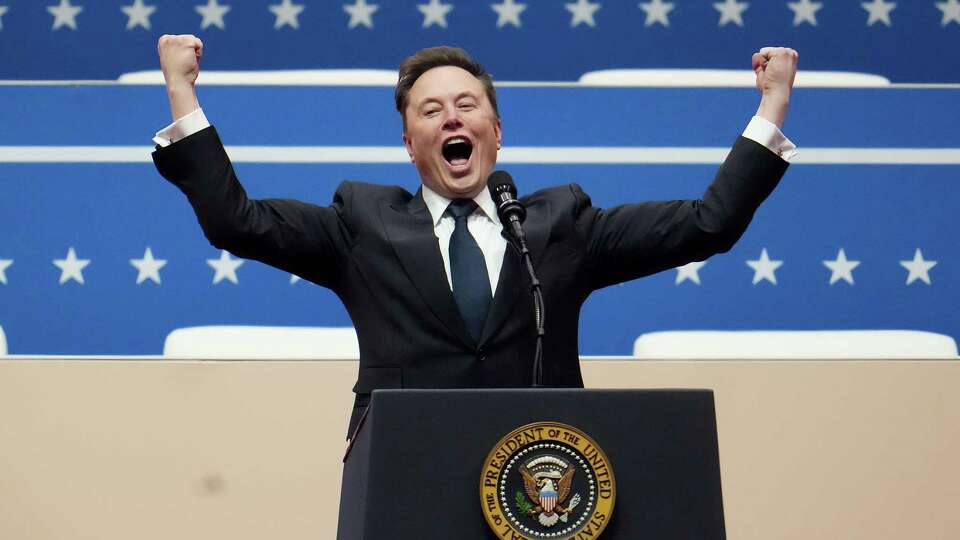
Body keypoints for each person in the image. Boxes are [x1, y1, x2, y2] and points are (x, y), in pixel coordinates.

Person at [152, 37, 798, 436]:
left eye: (467, 105)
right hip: (406, 471)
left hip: (545, 473)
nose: (452, 116)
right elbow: (235, 220)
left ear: (496, 130)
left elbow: (707, 223)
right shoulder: (361, 224)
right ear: (409, 144)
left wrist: (771, 105)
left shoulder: (560, 224)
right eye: (431, 110)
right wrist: (181, 91)